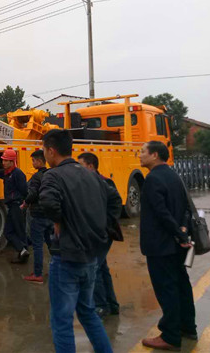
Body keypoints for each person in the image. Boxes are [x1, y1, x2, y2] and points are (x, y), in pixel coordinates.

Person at [40, 129, 120, 353]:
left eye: (44, 150)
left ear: (51, 150)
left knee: (61, 320)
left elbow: (47, 202)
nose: (44, 154)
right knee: (87, 312)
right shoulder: (90, 174)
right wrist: (103, 229)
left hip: (67, 258)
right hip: (91, 256)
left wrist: (59, 220)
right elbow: (115, 199)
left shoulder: (53, 175)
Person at [139, 141, 196, 351]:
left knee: (167, 290)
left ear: (155, 155)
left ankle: (171, 336)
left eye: (143, 152)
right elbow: (184, 209)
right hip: (176, 244)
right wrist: (181, 232)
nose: (140, 155)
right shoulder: (174, 176)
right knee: (181, 285)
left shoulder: (153, 178)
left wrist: (178, 233)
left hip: (160, 245)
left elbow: (162, 214)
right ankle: (188, 327)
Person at [78, 152, 123, 318]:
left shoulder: (103, 182)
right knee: (102, 268)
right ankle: (112, 304)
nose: (78, 169)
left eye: (81, 165)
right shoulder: (87, 183)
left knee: (94, 268)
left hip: (101, 234)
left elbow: (116, 201)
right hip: (94, 233)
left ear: (90, 166)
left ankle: (101, 306)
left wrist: (105, 224)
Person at [0, 148, 30, 264]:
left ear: (12, 162)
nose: (3, 162)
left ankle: (23, 251)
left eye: (6, 161)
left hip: (17, 206)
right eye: (3, 160)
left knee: (14, 231)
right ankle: (23, 251)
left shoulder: (18, 174)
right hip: (12, 206)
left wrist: (24, 204)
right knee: (13, 231)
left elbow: (24, 190)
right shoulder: (7, 173)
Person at [23, 149, 53, 284]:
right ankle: (57, 268)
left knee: (37, 246)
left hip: (38, 215)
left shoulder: (36, 177)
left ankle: (38, 274)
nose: (33, 163)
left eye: (33, 161)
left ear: (39, 161)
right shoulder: (50, 174)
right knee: (51, 243)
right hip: (49, 215)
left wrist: (25, 203)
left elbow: (33, 194)